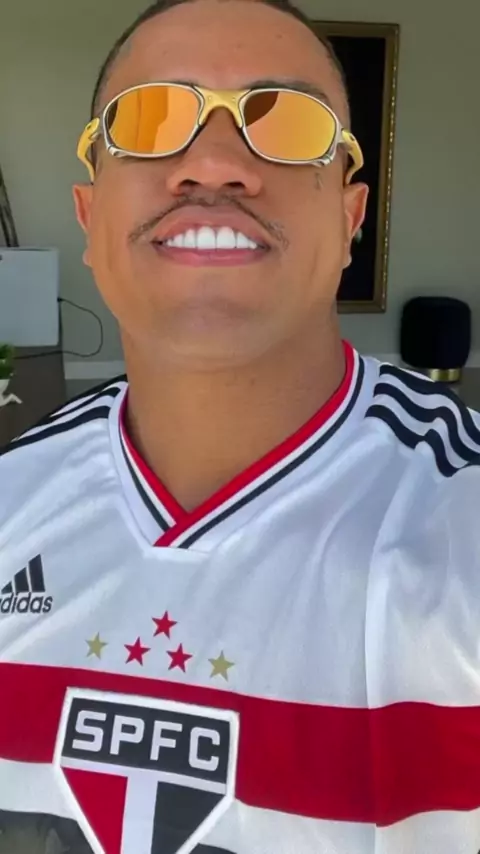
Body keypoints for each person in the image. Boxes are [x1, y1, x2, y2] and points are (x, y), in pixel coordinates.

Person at [0, 0, 479, 851]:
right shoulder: (12, 501)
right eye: (150, 119)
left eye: (286, 123)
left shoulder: (456, 517)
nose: (215, 163)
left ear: (350, 220)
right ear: (88, 217)